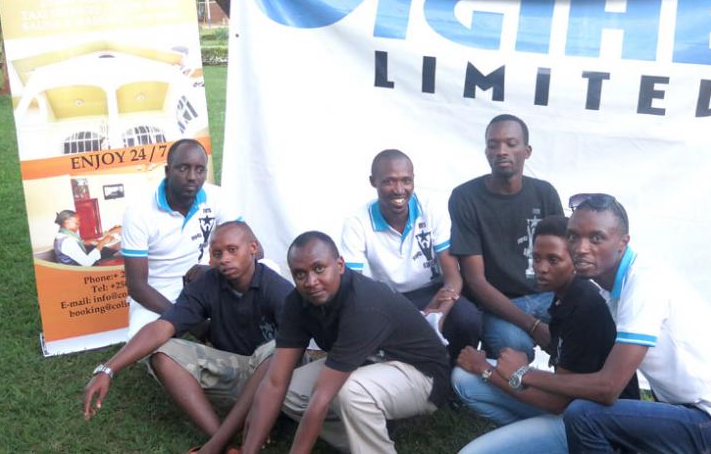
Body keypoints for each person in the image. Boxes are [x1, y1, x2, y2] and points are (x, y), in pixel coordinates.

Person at [492, 193, 711, 453]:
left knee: (584, 415)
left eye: (596, 238)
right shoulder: (610, 285)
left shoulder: (643, 284)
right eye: (573, 237)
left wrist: (523, 374)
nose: (581, 248)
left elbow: (608, 388)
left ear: (622, 243)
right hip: (692, 410)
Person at [198, 231, 450, 454]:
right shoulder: (297, 302)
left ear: (339, 265)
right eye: (300, 274)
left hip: (421, 375)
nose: (311, 281)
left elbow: (321, 398)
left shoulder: (363, 304)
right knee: (288, 389)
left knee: (349, 393)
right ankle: (363, 436)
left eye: (319, 269)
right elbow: (275, 382)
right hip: (366, 363)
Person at [82, 222, 293, 442]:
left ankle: (233, 434)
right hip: (237, 369)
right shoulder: (207, 283)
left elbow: (293, 354)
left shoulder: (277, 288)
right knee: (163, 353)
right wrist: (107, 370)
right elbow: (163, 326)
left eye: (232, 250)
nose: (225, 259)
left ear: (253, 248)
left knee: (276, 352)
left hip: (277, 381)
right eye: (217, 253)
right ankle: (223, 442)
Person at [452, 215, 638, 454]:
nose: (541, 268)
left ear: (574, 261)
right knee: (463, 378)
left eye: (553, 260)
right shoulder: (563, 297)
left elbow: (556, 403)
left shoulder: (584, 307)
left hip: (593, 423)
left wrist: (488, 370)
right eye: (537, 258)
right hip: (569, 405)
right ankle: (534, 439)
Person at [340, 149, 481, 362]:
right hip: (389, 298)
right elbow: (354, 288)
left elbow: (453, 276)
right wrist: (419, 316)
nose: (399, 190)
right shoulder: (357, 223)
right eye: (389, 181)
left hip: (435, 290)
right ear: (373, 181)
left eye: (406, 180)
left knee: (467, 318)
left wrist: (437, 317)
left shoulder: (431, 208)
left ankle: (454, 375)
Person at [449, 114, 563, 361]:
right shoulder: (465, 197)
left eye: (511, 144)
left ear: (527, 151)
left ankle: (577, 388)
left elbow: (564, 260)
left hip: (546, 296)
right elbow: (475, 281)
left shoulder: (545, 193)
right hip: (497, 303)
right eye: (493, 145)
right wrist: (533, 326)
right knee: (515, 345)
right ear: (486, 152)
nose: (501, 151)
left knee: (592, 315)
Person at [121, 138, 241, 337]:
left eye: (200, 169)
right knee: (144, 340)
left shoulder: (216, 196)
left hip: (206, 281)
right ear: (168, 172)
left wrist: (215, 269)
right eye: (183, 168)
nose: (192, 177)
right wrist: (191, 322)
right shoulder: (138, 212)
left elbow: (252, 248)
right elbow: (137, 286)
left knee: (268, 267)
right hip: (159, 292)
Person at [53, 209, 120, 266]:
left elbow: (76, 243)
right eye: (76, 223)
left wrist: (86, 242)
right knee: (115, 257)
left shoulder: (62, 235)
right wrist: (102, 243)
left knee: (109, 251)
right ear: (67, 222)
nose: (79, 225)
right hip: (77, 273)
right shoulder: (67, 242)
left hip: (74, 268)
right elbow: (87, 263)